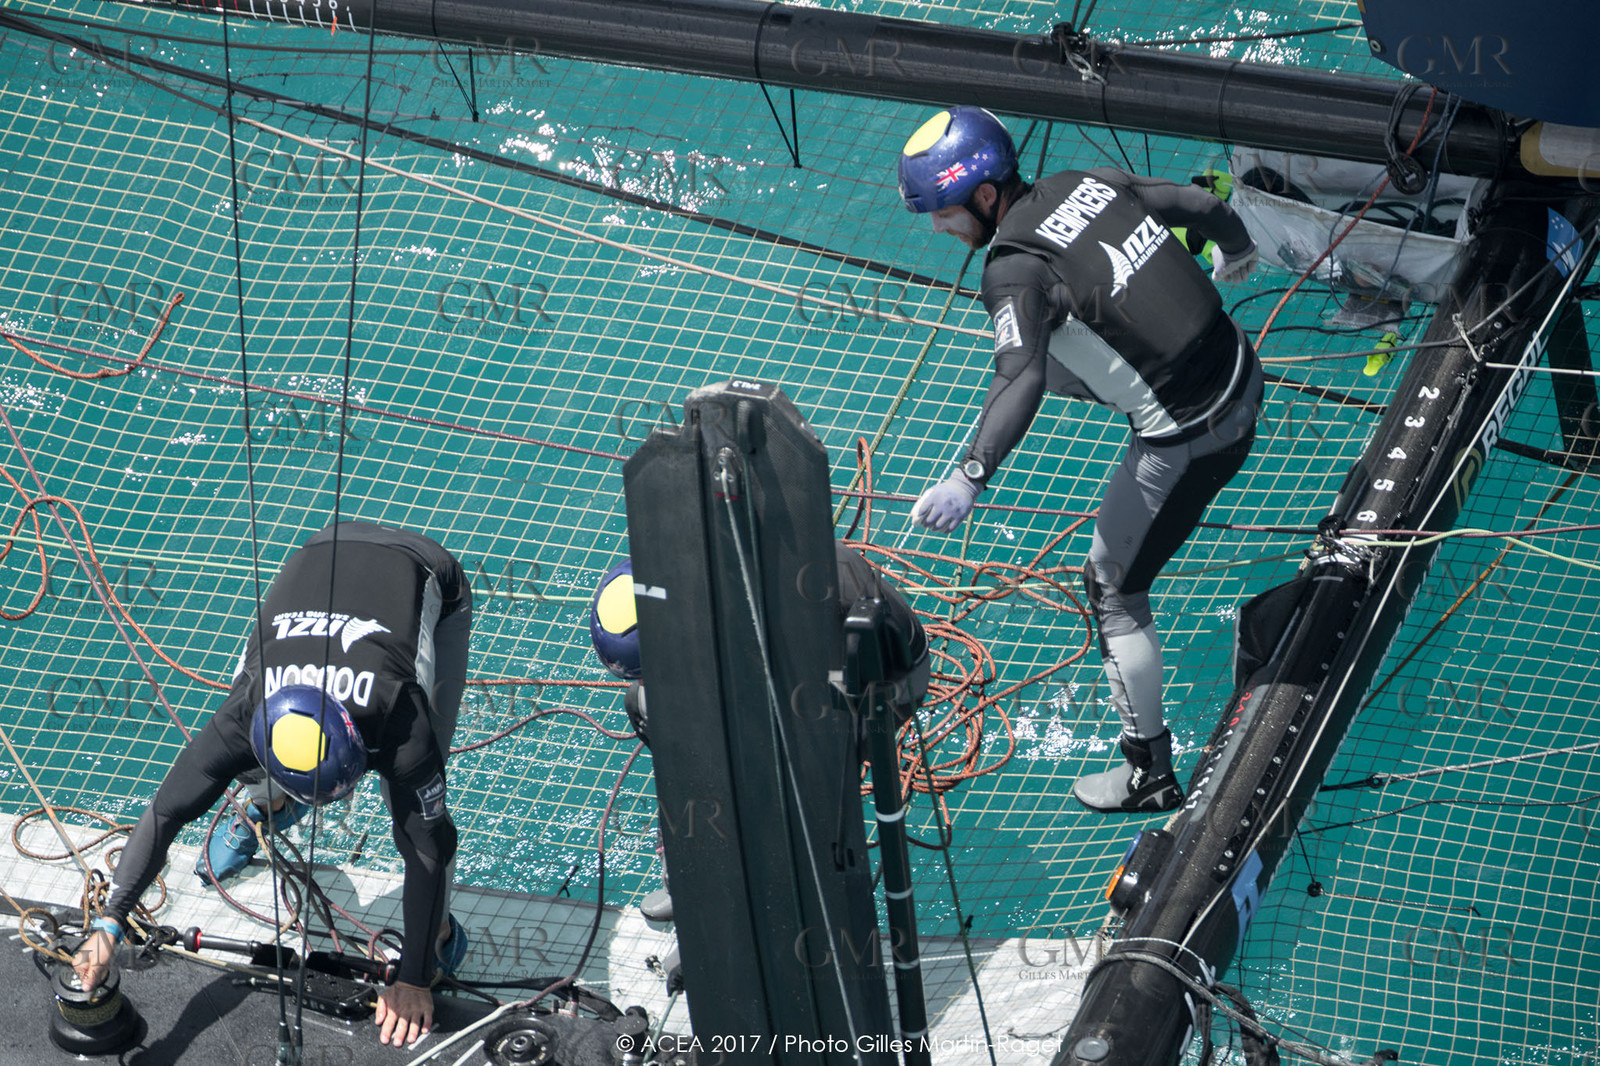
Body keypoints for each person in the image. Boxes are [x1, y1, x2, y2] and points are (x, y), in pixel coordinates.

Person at [897, 106, 1262, 814]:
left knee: (1111, 588)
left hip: (1195, 438)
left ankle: (1149, 775)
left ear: (983, 195)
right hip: (1242, 371)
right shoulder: (1083, 181)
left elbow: (1019, 377)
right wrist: (1238, 250)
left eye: (942, 211)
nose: (938, 228)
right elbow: (1200, 204)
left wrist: (969, 476)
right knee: (1054, 337)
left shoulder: (1011, 272)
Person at [71, 521, 473, 1047]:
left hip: (423, 567)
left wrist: (415, 978)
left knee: (415, 816)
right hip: (321, 551)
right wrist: (109, 922)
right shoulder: (247, 710)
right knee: (236, 766)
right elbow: (167, 811)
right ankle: (274, 800)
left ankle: (438, 937)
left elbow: (431, 848)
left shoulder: (402, 723)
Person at [590, 545, 930, 921]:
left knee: (773, 777)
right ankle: (689, 874)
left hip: (867, 688)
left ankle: (805, 886)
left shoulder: (801, 591)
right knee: (646, 708)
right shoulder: (708, 594)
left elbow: (893, 666)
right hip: (773, 670)